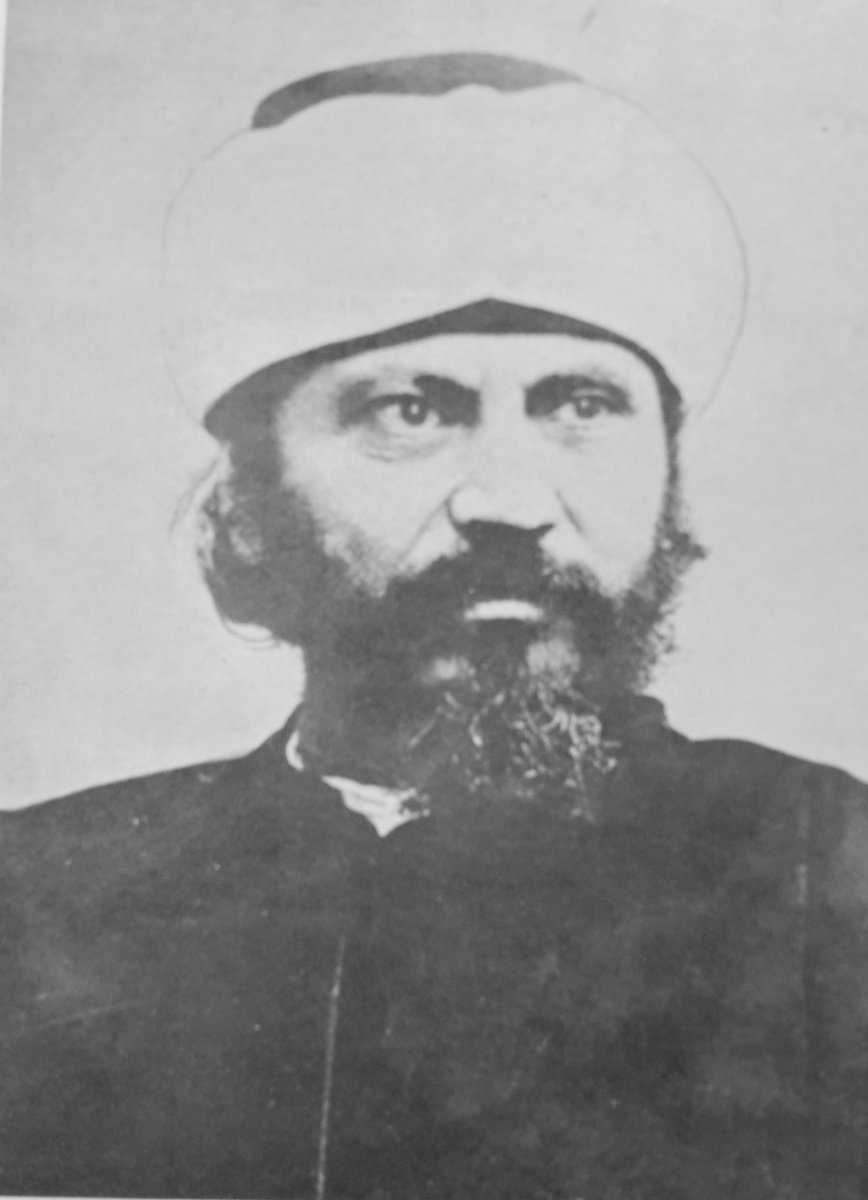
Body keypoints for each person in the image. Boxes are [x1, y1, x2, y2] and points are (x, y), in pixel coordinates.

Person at [1, 52, 866, 1200]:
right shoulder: (41, 900)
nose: (508, 500)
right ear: (249, 502)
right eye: (409, 410)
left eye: (581, 404)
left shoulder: (828, 871)